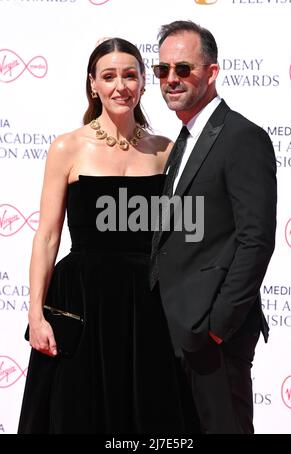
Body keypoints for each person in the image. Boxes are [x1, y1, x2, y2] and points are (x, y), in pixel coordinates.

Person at [18, 37, 186, 434]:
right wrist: (36, 313)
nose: (120, 86)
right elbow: (46, 237)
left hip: (147, 303)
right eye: (109, 76)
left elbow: (178, 238)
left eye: (130, 75)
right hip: (81, 299)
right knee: (77, 412)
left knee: (149, 414)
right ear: (93, 83)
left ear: (144, 82)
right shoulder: (67, 147)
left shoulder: (166, 150)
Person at [150, 20, 277, 434]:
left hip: (211, 339)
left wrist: (217, 327)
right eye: (162, 70)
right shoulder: (180, 143)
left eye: (183, 69)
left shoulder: (242, 137)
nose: (171, 79)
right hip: (172, 333)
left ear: (212, 72)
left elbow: (255, 239)